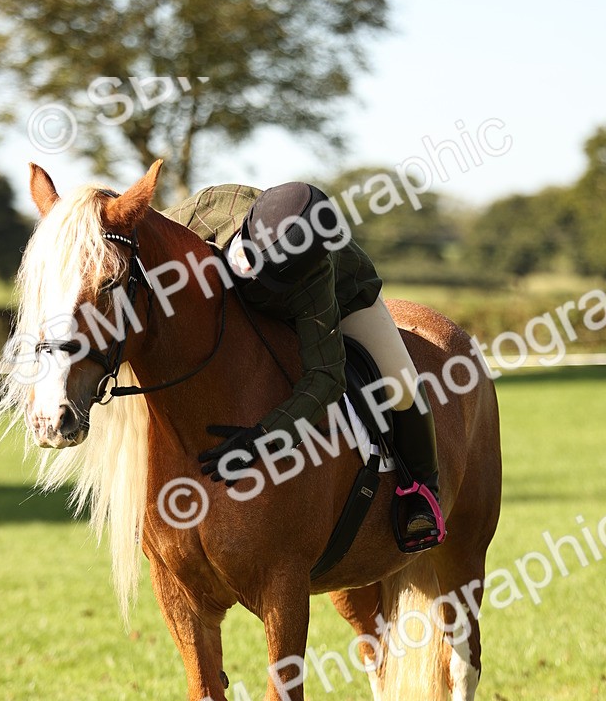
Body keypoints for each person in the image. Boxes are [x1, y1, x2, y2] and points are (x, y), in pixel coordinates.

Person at [164, 182, 445, 550]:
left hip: (345, 300)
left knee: (401, 385)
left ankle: (422, 491)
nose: (250, 273)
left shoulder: (314, 275)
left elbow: (326, 377)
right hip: (244, 292)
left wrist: (263, 440)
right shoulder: (207, 208)